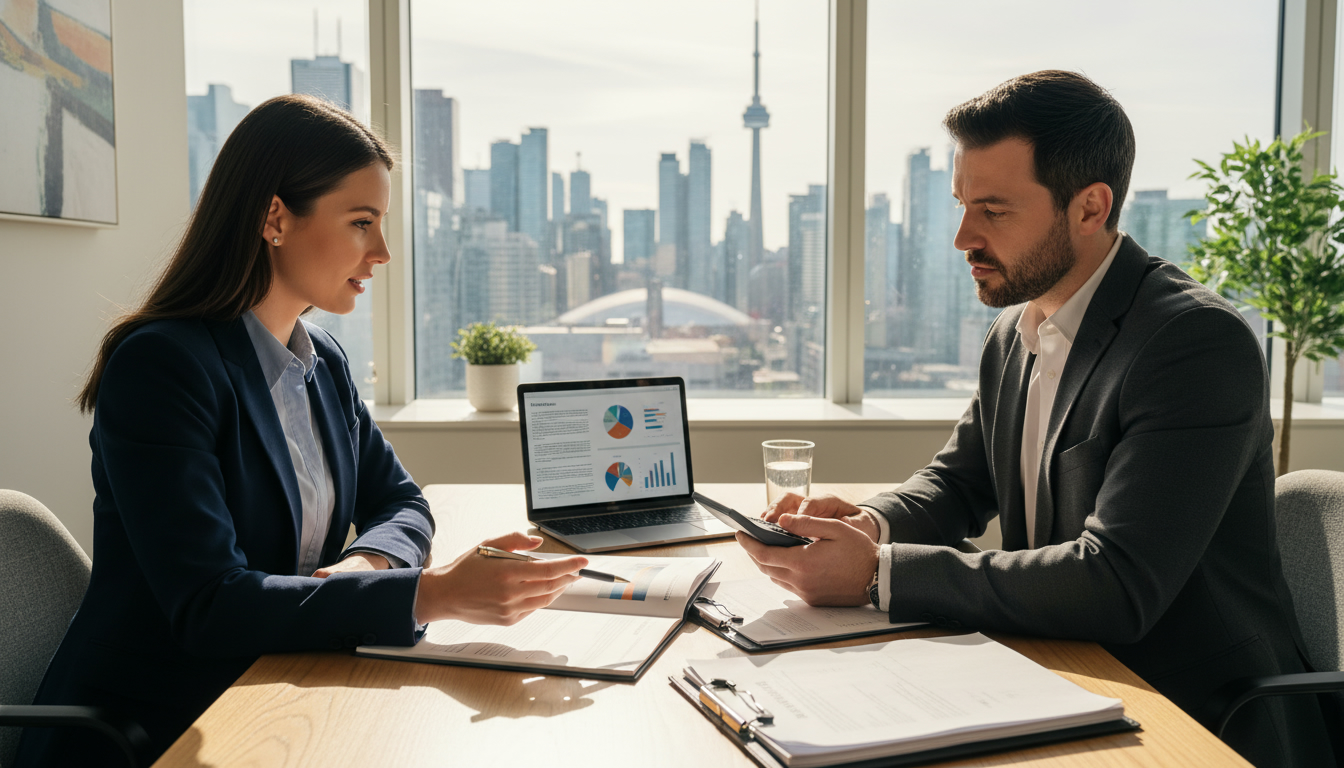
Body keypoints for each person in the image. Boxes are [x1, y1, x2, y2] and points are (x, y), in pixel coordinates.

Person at [736, 71, 1335, 767]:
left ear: (1090, 207)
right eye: (962, 205)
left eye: (993, 210)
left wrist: (878, 575)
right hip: (1060, 674)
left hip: (1191, 714)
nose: (963, 237)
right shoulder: (1019, 330)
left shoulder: (1194, 345)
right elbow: (957, 483)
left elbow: (1117, 583)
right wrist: (867, 525)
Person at [15, 95, 589, 766]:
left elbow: (401, 503)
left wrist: (363, 565)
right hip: (160, 727)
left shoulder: (323, 359)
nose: (381, 252)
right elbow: (209, 606)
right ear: (275, 218)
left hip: (276, 686)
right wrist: (432, 593)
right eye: (361, 222)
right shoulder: (162, 367)